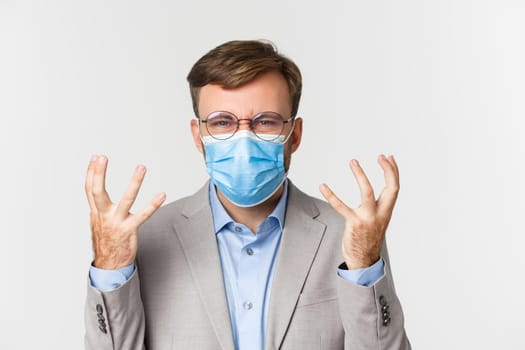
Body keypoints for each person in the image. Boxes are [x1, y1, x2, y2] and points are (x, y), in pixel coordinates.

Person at [84, 39, 411, 350]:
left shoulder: (349, 237)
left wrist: (365, 265)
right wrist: (111, 266)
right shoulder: (146, 239)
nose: (243, 139)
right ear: (198, 137)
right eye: (222, 122)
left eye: (265, 122)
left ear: (293, 135)